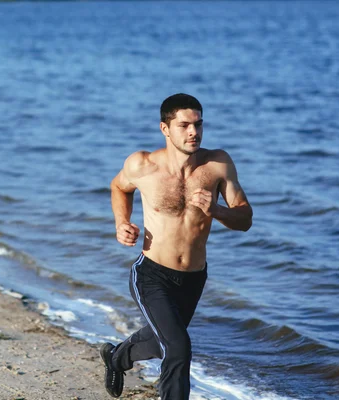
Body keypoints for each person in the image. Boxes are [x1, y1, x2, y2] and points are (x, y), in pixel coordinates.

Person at [100, 93, 253, 399]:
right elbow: (119, 186)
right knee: (179, 348)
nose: (193, 132)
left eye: (198, 124)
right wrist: (122, 223)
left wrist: (218, 210)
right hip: (151, 274)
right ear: (165, 129)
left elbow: (245, 218)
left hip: (194, 277)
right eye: (184, 125)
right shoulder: (143, 165)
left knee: (164, 341)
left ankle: (116, 357)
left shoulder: (218, 165)